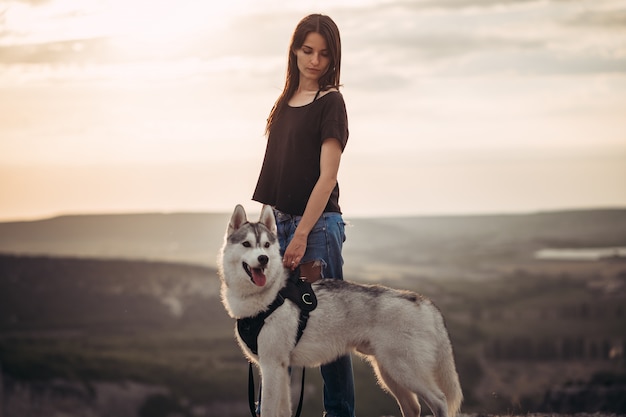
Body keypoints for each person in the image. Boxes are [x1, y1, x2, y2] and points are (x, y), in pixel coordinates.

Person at [252, 13, 356, 417]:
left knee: (329, 326)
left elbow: (327, 177)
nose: (315, 60)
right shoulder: (283, 104)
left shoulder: (331, 102)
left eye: (324, 54)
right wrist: (269, 234)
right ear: (294, 50)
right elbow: (275, 177)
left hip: (317, 228)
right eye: (307, 50)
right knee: (271, 322)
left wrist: (300, 235)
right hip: (277, 225)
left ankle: (339, 413)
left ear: (334, 58)